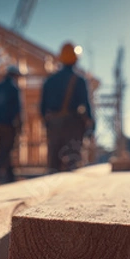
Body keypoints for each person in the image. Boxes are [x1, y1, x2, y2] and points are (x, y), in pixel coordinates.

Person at [41, 42, 94, 172]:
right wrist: (92, 124)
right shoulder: (79, 80)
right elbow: (86, 105)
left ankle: (52, 188)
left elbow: (42, 107)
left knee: (53, 162)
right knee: (72, 160)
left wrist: (47, 123)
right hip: (73, 124)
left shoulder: (49, 80)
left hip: (54, 124)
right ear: (76, 60)